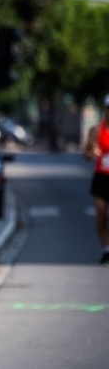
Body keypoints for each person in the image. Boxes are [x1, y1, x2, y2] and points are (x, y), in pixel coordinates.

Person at [83, 94, 109, 266]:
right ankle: (106, 249)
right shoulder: (96, 130)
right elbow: (85, 154)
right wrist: (91, 154)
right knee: (101, 215)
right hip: (101, 177)